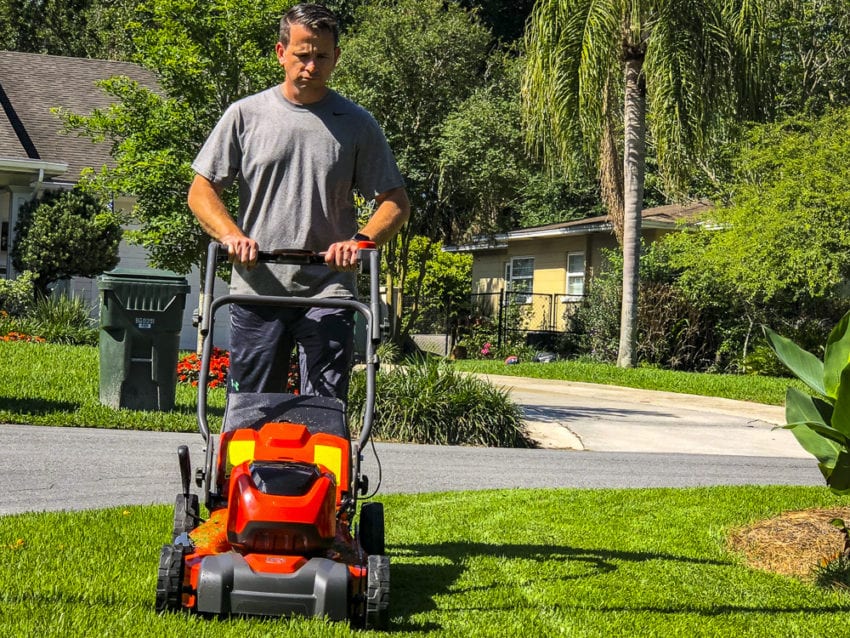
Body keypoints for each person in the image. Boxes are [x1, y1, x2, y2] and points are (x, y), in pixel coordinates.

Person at [188, 3, 409, 402]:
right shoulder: (245, 115)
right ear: (281, 53)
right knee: (252, 409)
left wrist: (359, 242)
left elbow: (395, 201)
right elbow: (201, 191)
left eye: (321, 56)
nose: (311, 65)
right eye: (302, 55)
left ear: (336, 57)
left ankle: (321, 465)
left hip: (329, 290)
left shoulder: (357, 123)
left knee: (323, 408)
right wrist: (232, 236)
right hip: (257, 287)